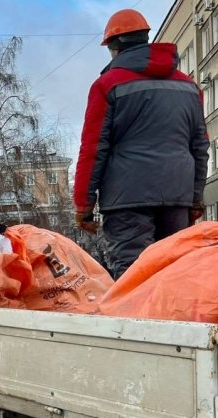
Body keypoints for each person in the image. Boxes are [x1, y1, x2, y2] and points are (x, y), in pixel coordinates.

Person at [73, 8, 209, 279]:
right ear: (146, 39)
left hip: (127, 199)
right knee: (174, 273)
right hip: (176, 196)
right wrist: (194, 199)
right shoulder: (189, 87)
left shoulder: (107, 85)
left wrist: (84, 204)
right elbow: (200, 148)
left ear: (113, 47)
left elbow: (93, 148)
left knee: (132, 276)